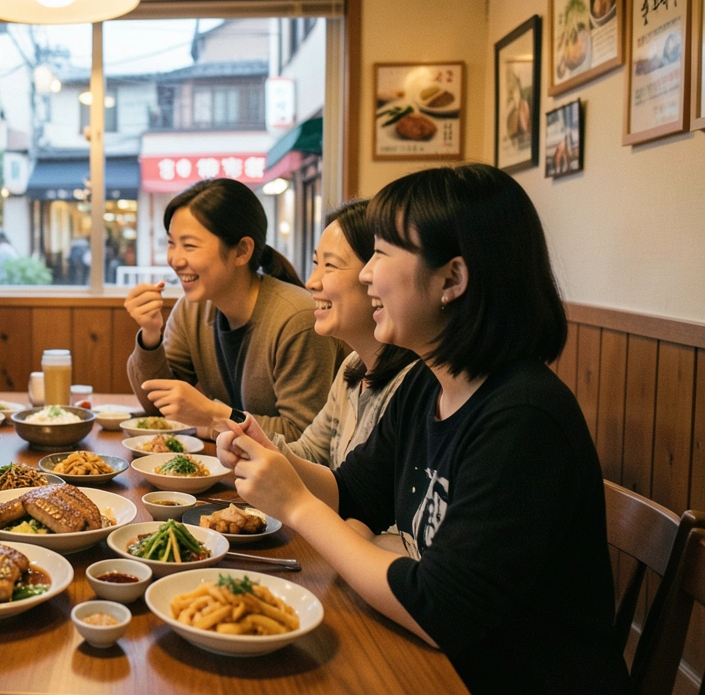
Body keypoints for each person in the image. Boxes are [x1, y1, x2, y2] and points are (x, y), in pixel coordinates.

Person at [216, 165, 630, 693]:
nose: (367, 275)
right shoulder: (425, 385)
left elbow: (439, 611)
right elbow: (353, 494)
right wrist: (270, 455)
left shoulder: (522, 418)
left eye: (383, 254)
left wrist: (295, 506)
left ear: (452, 279)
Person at [125, 177, 344, 440]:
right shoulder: (191, 309)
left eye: (190, 245)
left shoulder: (297, 318)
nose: (175, 259)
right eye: (171, 243)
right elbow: (157, 408)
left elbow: (302, 436)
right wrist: (150, 336)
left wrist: (213, 417)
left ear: (242, 251)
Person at [274, 200, 417, 469]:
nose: (311, 282)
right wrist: (244, 438)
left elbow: (370, 502)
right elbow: (310, 453)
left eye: (330, 266)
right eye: (316, 263)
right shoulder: (353, 366)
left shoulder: (412, 384)